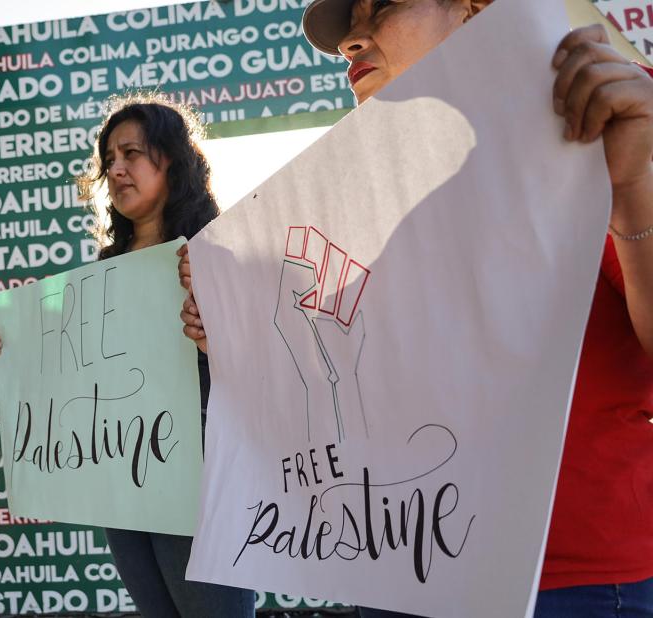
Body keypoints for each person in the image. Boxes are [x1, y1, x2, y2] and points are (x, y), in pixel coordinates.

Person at [179, 1, 653, 616]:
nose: (351, 39)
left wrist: (636, 197)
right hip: (402, 568)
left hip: (567, 584)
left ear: (472, 11)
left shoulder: (593, 146)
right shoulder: (361, 215)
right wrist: (240, 341)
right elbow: (353, 387)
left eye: (385, 5)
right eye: (349, 24)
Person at [0, 94, 256, 617]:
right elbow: (65, 369)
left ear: (171, 158)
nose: (116, 169)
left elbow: (266, 367)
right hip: (123, 477)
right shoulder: (103, 271)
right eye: (109, 159)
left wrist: (218, 332)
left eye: (131, 153)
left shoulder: (218, 250)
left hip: (200, 479)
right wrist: (12, 353)